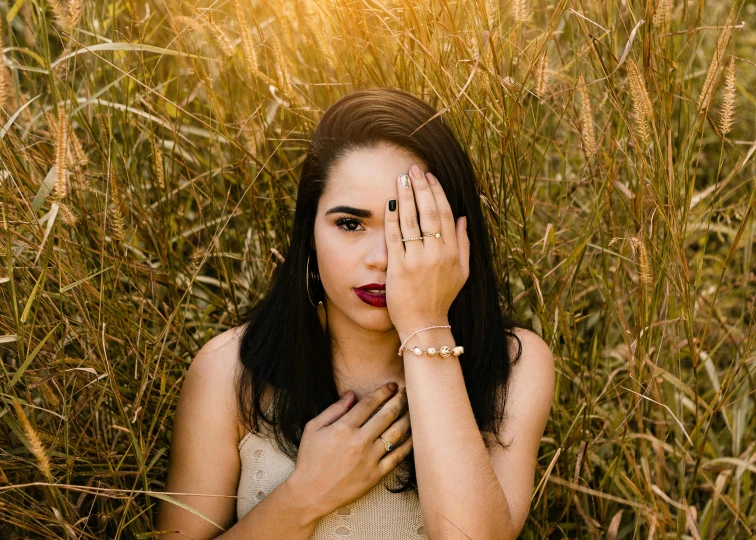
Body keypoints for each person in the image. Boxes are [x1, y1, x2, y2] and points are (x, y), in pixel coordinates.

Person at [156, 87, 555, 539]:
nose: (381, 258)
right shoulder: (231, 368)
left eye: (410, 226)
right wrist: (304, 497)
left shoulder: (515, 363)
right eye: (350, 224)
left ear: (457, 235)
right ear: (309, 233)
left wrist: (426, 327)